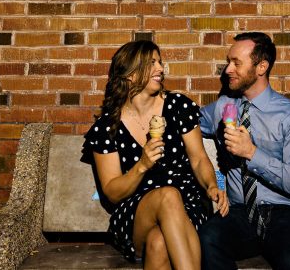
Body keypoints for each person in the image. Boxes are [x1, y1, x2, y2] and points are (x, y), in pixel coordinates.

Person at [83, 40, 229, 269]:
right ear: (129, 73)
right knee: (167, 195)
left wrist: (211, 185)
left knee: (159, 242)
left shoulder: (178, 106)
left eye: (160, 62)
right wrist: (142, 165)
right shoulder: (107, 128)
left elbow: (199, 159)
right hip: (136, 211)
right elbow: (112, 191)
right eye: (152, 63)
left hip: (187, 204)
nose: (160, 68)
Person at [197, 32, 290, 270]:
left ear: (261, 67)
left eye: (236, 63)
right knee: (208, 237)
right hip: (239, 213)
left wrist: (252, 153)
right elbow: (186, 123)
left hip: (285, 214)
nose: (228, 70)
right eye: (228, 62)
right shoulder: (223, 107)